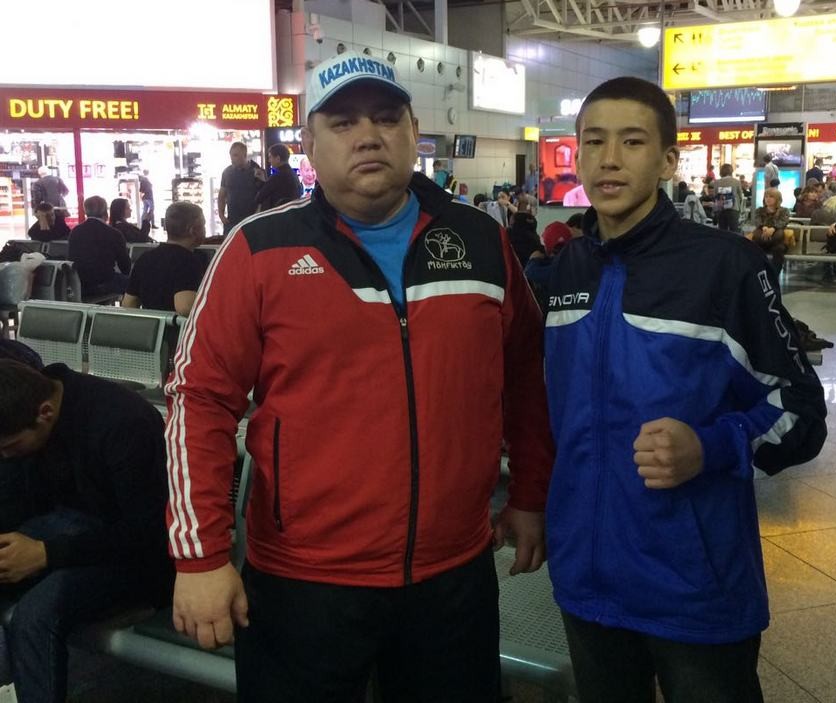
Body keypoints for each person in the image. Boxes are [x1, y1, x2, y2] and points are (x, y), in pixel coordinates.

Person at [165, 51, 553, 702]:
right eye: (343, 122)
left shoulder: (480, 241)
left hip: (453, 574)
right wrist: (200, 557)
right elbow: (198, 400)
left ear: (413, 132)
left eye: (386, 117)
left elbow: (526, 373)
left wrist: (531, 493)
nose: (368, 135)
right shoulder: (259, 249)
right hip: (304, 582)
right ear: (309, 143)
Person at [541, 76, 827, 703]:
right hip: (587, 580)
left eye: (632, 141)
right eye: (594, 142)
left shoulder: (725, 266)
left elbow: (802, 412)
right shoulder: (565, 271)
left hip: (695, 587)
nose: (609, 159)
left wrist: (712, 446)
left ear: (668, 160)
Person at [0, 359, 173, 703]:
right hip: (69, 531)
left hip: (139, 558)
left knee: (36, 614)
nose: (6, 456)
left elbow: (149, 534)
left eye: (11, 447)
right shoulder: (23, 416)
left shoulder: (123, 423)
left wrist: (45, 554)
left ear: (45, 413)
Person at [122, 201, 206, 316]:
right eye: (203, 225)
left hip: (151, 325)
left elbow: (128, 303)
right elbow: (185, 307)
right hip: (175, 326)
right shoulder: (189, 261)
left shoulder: (145, 258)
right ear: (193, 230)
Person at [67, 196, 131, 297]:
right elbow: (125, 266)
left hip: (80, 284)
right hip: (104, 282)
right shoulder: (113, 233)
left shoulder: (75, 231)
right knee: (138, 284)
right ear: (105, 211)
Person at [218, 143, 266, 234]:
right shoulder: (227, 172)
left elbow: (263, 196)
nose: (232, 159)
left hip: (251, 220)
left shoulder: (256, 171)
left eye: (235, 155)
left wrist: (257, 214)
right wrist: (221, 215)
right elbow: (222, 195)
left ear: (244, 155)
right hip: (232, 221)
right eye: (231, 155)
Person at [254, 144, 304, 212]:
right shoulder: (293, 174)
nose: (269, 160)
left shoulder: (277, 176)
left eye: (270, 157)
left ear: (278, 158)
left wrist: (260, 183)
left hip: (279, 214)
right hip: (292, 214)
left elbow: (259, 198)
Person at [751, 187, 791, 271]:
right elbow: (757, 221)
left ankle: (774, 274)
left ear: (777, 199)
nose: (768, 199)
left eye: (771, 197)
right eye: (766, 197)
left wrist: (773, 229)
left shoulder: (784, 211)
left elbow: (783, 221)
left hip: (777, 241)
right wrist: (764, 227)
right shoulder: (759, 210)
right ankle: (757, 272)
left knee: (779, 247)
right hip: (761, 239)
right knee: (754, 245)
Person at [713, 164, 744, 233]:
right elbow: (740, 196)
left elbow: (715, 196)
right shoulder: (736, 182)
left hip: (721, 209)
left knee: (722, 231)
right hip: (733, 209)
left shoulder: (716, 182)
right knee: (734, 231)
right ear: (731, 171)